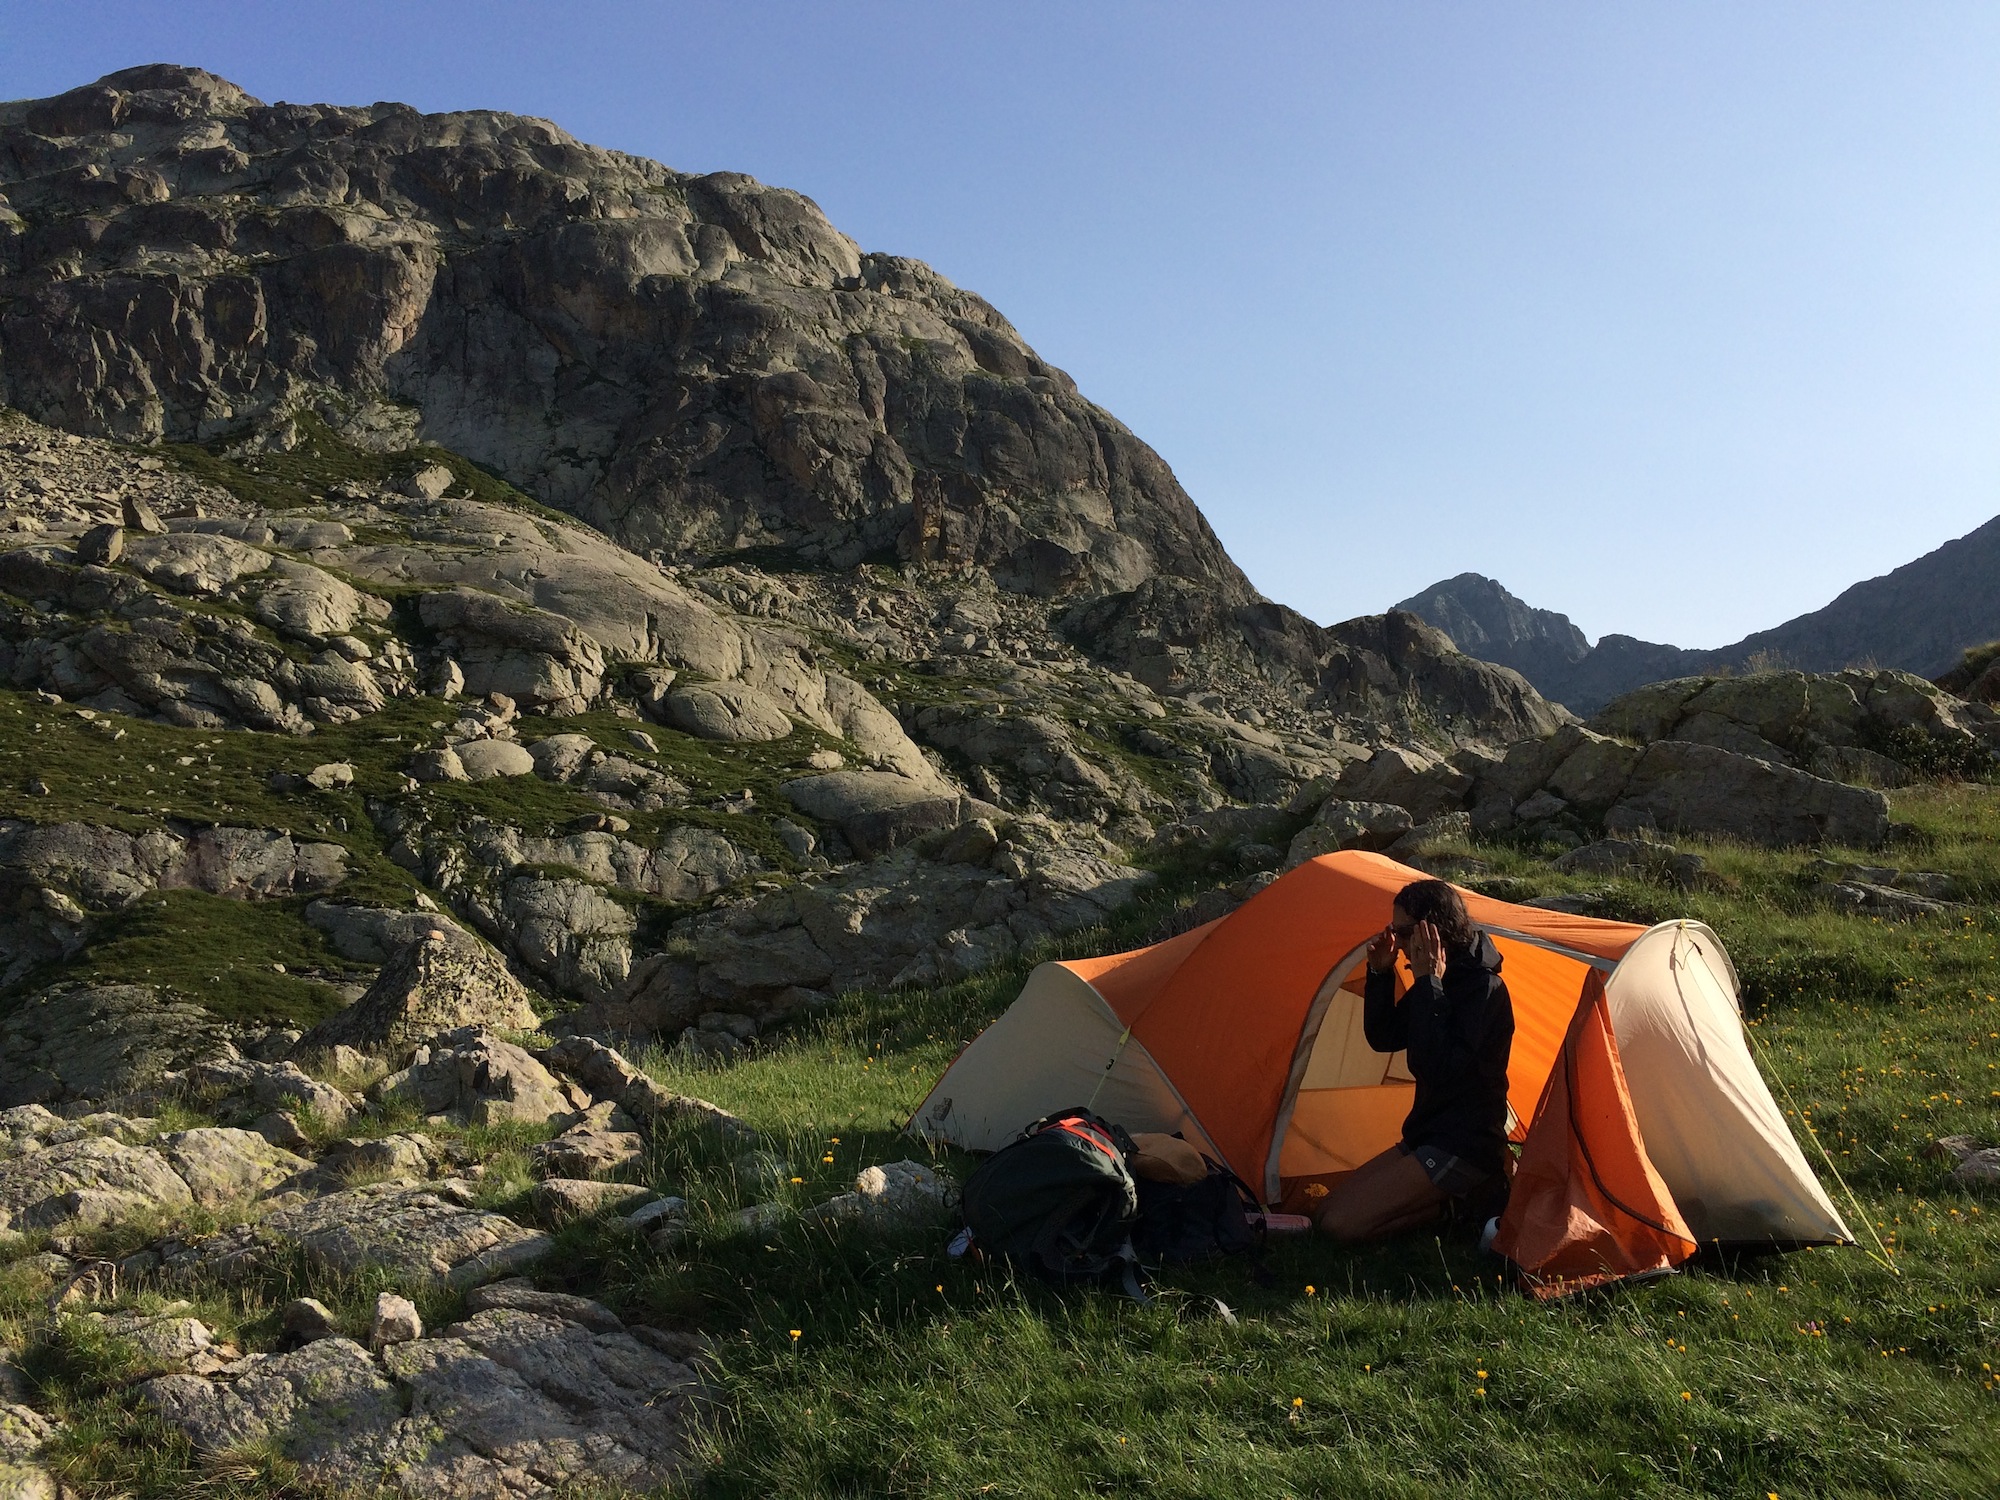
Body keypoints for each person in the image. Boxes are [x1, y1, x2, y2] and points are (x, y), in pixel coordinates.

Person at [1316, 878, 1514, 1243]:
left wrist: (1427, 983)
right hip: (1426, 1134)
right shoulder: (1441, 979)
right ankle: (1453, 1206)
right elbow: (1384, 1037)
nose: (1401, 943)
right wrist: (1379, 973)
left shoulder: (1483, 989)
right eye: (1395, 932)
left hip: (1465, 1144)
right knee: (1325, 1210)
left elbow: (1437, 1068)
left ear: (1434, 930)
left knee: (1339, 1225)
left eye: (1405, 933)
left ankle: (1466, 1202)